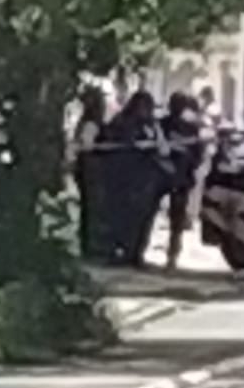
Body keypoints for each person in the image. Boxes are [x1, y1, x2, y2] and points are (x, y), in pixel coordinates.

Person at [100, 91, 171, 267]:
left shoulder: (153, 125)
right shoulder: (122, 122)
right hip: (125, 176)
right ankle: (119, 250)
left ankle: (136, 253)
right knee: (122, 216)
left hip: (147, 178)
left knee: (144, 218)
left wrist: (155, 143)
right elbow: (116, 143)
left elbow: (164, 148)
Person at [160, 92, 205, 270]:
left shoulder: (188, 127)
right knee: (175, 217)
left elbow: (198, 154)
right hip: (167, 176)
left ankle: (173, 254)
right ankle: (172, 253)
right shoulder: (163, 125)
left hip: (178, 177)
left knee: (176, 217)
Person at [70, 87, 108, 260]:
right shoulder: (92, 123)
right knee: (93, 207)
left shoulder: (85, 121)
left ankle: (88, 244)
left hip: (85, 167)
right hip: (91, 168)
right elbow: (87, 145)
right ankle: (90, 246)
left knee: (89, 207)